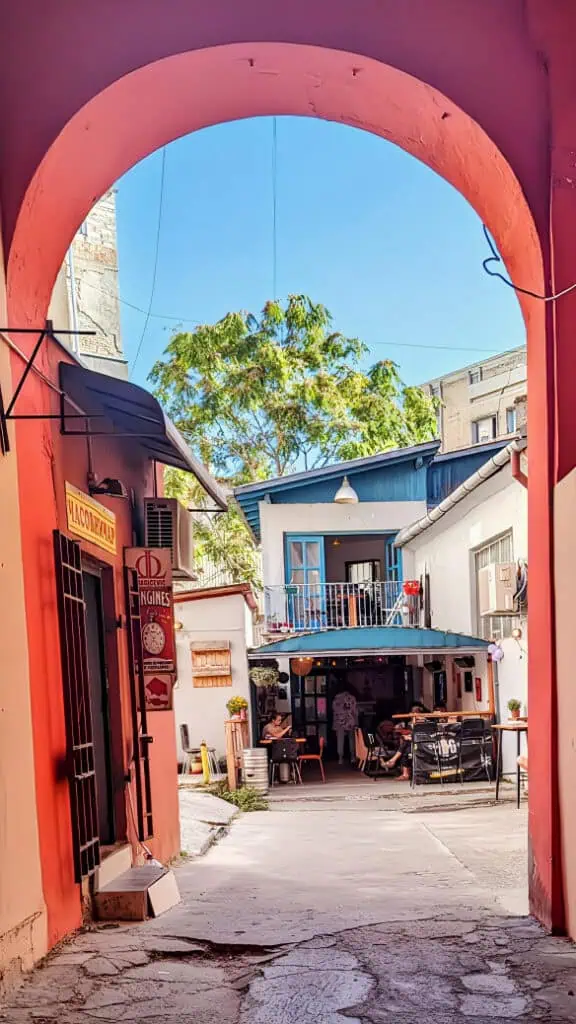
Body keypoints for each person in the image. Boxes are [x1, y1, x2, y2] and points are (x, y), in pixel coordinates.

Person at [332, 687, 358, 764]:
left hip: (340, 721)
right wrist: (356, 722)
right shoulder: (352, 698)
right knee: (351, 740)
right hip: (351, 721)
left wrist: (334, 725)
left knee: (340, 740)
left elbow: (335, 712)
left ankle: (340, 758)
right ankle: (352, 757)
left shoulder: (336, 699)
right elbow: (355, 711)